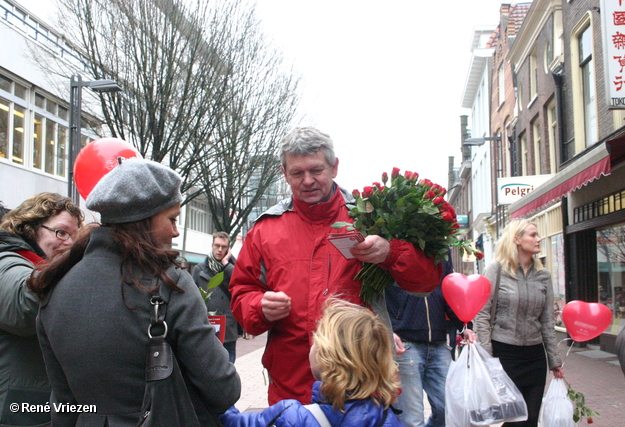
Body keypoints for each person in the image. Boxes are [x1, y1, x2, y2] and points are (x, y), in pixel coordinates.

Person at [230, 126, 443, 405]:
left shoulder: (370, 217)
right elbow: (242, 292)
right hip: (292, 386)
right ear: (284, 173)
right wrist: (259, 307)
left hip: (363, 382)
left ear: (334, 167)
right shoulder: (265, 230)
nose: (307, 180)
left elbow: (425, 283)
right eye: (297, 173)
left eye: (316, 170)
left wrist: (391, 253)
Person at [28, 159, 241, 426]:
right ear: (143, 221)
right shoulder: (170, 284)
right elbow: (224, 389)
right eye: (172, 218)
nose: (175, 231)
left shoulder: (56, 287)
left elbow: (63, 404)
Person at [220, 298, 404, 426]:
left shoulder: (290, 416)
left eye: (317, 338)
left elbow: (232, 422)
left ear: (327, 357)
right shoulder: (387, 418)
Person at [0, 192, 82, 427]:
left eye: (75, 237)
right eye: (61, 232)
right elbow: (24, 308)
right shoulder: (7, 260)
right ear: (30, 227)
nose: (69, 243)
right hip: (18, 410)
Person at [474, 219, 564, 427]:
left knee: (531, 419)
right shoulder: (496, 270)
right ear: (516, 239)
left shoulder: (544, 276)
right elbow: (483, 313)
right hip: (505, 354)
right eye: (533, 235)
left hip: (534, 356)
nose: (538, 239)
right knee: (514, 420)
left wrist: (554, 360)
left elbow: (547, 320)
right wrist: (488, 357)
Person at [385, 256, 476, 427]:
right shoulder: (395, 243)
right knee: (412, 419)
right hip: (405, 342)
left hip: (438, 341)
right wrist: (388, 330)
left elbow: (449, 290)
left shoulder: (439, 248)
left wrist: (464, 325)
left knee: (449, 411)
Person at [192, 231, 239, 362]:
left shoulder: (234, 268)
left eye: (223, 247)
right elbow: (193, 298)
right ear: (212, 245)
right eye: (217, 245)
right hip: (207, 326)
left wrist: (226, 264)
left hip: (228, 327)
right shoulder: (199, 269)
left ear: (228, 249)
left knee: (229, 365)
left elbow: (240, 284)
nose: (219, 250)